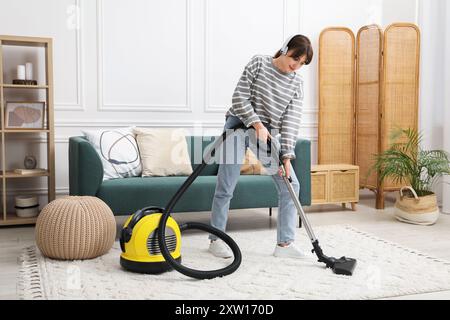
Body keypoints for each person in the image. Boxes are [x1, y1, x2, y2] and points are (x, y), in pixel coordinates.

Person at [208, 34, 313, 259]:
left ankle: (284, 245)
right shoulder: (259, 63)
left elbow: (291, 121)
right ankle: (216, 239)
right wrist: (255, 123)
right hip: (237, 126)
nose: (296, 65)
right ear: (285, 49)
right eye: (295, 58)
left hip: (264, 135)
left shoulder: (297, 84)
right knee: (226, 185)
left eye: (302, 63)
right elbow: (239, 97)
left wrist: (286, 156)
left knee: (291, 185)